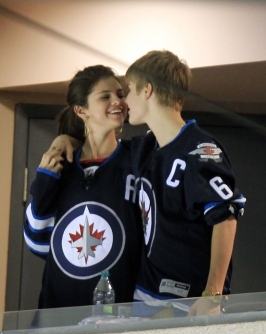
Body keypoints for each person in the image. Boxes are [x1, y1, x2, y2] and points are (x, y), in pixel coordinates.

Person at [50, 50, 245, 316]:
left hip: (189, 304)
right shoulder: (145, 149)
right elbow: (100, 146)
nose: (124, 100)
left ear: (147, 91)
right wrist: (67, 140)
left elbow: (226, 218)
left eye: (127, 90)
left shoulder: (200, 149)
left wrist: (212, 295)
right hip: (144, 298)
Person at [23, 65, 142, 309]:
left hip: (122, 313)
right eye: (105, 96)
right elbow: (37, 241)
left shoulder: (138, 158)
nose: (117, 101)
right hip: (59, 313)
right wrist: (45, 180)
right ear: (81, 110)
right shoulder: (60, 166)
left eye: (120, 94)